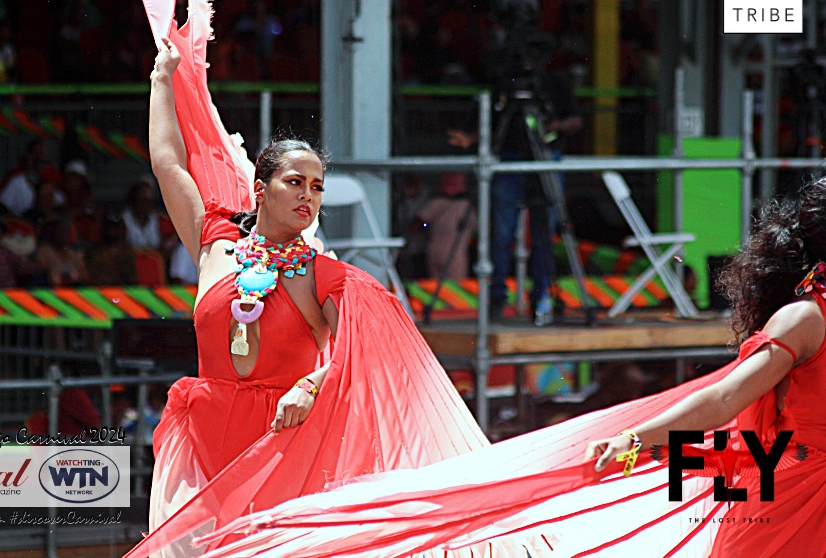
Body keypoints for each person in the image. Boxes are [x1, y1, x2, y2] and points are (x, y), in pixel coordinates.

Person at [197, 178, 826, 558]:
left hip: (791, 492)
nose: (307, 196)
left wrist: (639, 438)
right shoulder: (806, 318)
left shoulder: (804, 318)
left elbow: (723, 403)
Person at [115, 0, 497, 556]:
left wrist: (311, 387)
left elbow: (359, 359)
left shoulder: (328, 277)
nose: (309, 196)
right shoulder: (215, 241)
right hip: (206, 434)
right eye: (296, 182)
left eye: (318, 187)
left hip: (287, 444)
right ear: (260, 188)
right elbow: (167, 163)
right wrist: (164, 78)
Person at [448, 64, 582, 326]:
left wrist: (552, 127)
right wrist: (472, 138)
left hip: (545, 158)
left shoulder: (554, 81)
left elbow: (575, 119)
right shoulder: (504, 82)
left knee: (545, 231)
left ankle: (541, 296)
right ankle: (497, 298)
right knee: (502, 233)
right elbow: (497, 127)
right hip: (508, 160)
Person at [417, 172, 476, 282]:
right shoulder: (436, 203)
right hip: (436, 251)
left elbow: (474, 229)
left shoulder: (466, 206)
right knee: (437, 285)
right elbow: (423, 222)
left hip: (455, 252)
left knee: (454, 286)